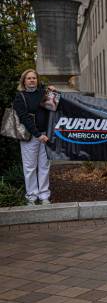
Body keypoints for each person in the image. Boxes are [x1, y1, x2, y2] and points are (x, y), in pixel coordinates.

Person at [12, 69, 57, 205]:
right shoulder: (20, 96)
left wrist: (54, 92)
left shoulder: (44, 93)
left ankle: (44, 196)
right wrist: (38, 135)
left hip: (45, 135)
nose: (32, 80)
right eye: (29, 78)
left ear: (37, 80)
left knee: (44, 166)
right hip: (30, 137)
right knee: (30, 167)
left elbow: (55, 107)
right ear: (24, 81)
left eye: (34, 78)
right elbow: (24, 118)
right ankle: (31, 196)